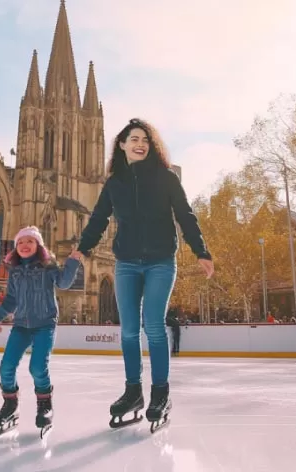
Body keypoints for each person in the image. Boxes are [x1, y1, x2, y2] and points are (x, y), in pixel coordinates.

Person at [75, 118, 214, 433]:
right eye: (133, 139)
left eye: (145, 140)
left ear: (151, 147)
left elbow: (185, 213)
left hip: (160, 262)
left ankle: (160, 394)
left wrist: (200, 250)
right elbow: (98, 219)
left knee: (153, 326)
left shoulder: (165, 178)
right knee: (127, 331)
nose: (140, 144)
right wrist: (82, 249)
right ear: (121, 144)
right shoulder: (114, 183)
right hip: (126, 263)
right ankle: (133, 392)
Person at [0, 226, 81, 437]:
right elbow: (10, 301)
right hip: (21, 326)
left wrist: (72, 261)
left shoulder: (48, 266)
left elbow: (64, 282)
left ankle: (45, 404)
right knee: (6, 367)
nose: (25, 245)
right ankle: (10, 405)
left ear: (38, 245)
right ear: (16, 248)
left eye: (30, 241)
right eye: (20, 242)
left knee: (37, 368)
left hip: (44, 324)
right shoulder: (15, 271)